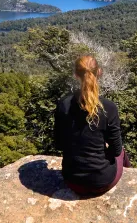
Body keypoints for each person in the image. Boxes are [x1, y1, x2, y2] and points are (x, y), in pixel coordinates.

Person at [54, 55, 130, 196]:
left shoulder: (63, 104)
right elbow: (116, 150)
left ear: (75, 75)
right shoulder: (108, 107)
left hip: (72, 180)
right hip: (103, 181)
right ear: (99, 72)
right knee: (122, 153)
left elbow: (58, 144)